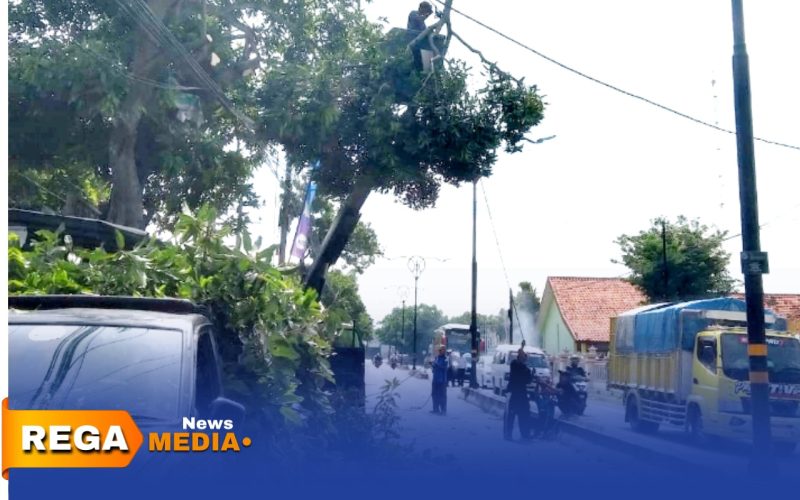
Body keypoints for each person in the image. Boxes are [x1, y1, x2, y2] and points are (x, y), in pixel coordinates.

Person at [504, 348, 532, 440]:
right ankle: (508, 434)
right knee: (511, 415)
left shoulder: (526, 369)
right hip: (513, 393)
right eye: (522, 356)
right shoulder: (514, 365)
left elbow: (528, 380)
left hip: (522, 393)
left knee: (524, 413)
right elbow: (517, 369)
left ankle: (525, 434)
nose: (523, 359)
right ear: (518, 357)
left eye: (524, 357)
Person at [407, 2, 434, 72]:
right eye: (426, 10)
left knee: (420, 63)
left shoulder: (422, 23)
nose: (426, 12)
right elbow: (419, 19)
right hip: (412, 40)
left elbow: (425, 31)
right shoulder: (413, 13)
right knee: (415, 61)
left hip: (419, 45)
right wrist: (427, 15)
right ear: (422, 8)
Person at [431, 345, 448, 415]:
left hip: (442, 380)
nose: (441, 352)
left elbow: (445, 368)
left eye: (442, 350)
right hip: (435, 379)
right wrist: (433, 365)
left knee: (442, 395)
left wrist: (437, 365)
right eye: (440, 350)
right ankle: (435, 409)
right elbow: (433, 369)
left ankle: (443, 410)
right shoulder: (436, 358)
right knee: (434, 394)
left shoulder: (446, 359)